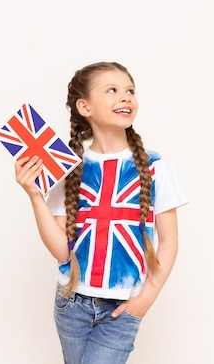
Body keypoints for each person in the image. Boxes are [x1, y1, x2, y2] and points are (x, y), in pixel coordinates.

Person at [14, 61, 188, 363]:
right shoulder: (68, 168)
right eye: (112, 90)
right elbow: (61, 251)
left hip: (122, 308)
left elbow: (169, 241)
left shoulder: (155, 166)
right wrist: (34, 195)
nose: (126, 97)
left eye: (130, 90)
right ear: (85, 107)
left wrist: (146, 298)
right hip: (71, 304)